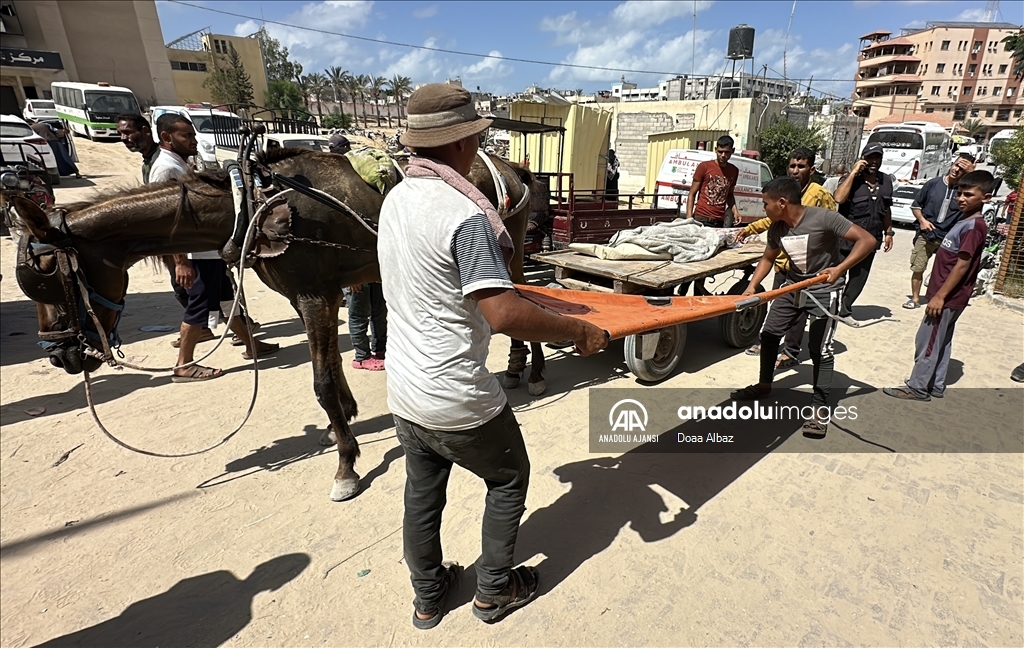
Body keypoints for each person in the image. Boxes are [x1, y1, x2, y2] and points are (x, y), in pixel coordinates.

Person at [378, 83, 608, 629]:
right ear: (464, 143)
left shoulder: (395, 200)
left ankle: (429, 596)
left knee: (422, 490)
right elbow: (503, 313)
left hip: (405, 389)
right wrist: (575, 330)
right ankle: (494, 591)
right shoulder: (462, 215)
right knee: (509, 478)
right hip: (455, 394)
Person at [731, 176, 875, 438]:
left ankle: (820, 407)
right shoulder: (777, 228)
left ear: (782, 202)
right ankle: (764, 385)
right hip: (792, 287)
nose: (764, 209)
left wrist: (840, 268)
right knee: (770, 334)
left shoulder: (824, 218)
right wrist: (752, 287)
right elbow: (767, 258)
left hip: (824, 290)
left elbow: (867, 240)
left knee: (819, 348)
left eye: (766, 204)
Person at [149, 113, 277, 382]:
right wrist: (181, 262)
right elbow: (165, 221)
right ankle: (183, 364)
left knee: (228, 299)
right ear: (166, 137)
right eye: (187, 136)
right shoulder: (165, 169)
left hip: (207, 250)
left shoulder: (181, 164)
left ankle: (251, 345)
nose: (193, 141)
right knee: (199, 305)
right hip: (194, 255)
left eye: (193, 135)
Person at [884, 171, 993, 401]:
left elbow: (962, 266)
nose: (961, 199)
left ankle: (917, 387)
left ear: (986, 198)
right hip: (951, 297)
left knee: (928, 341)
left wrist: (939, 296)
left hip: (947, 297)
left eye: (969, 195)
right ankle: (935, 384)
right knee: (942, 340)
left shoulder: (973, 226)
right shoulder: (965, 222)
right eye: (960, 194)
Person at [739, 147, 837, 365]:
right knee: (779, 307)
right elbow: (772, 220)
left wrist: (832, 263)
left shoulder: (819, 195)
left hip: (808, 269)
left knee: (799, 312)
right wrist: (750, 229)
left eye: (800, 166)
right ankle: (769, 343)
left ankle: (790, 352)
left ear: (811, 169)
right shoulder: (782, 191)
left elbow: (833, 225)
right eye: (792, 165)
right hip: (783, 263)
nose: (795, 170)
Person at [905, 153, 976, 309]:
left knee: (946, 271)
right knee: (918, 267)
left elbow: (978, 198)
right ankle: (915, 299)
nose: (957, 170)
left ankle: (938, 298)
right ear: (952, 164)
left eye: (962, 169)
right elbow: (916, 205)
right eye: (956, 165)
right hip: (927, 235)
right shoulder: (933, 184)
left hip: (950, 238)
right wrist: (922, 221)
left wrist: (971, 174)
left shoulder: (965, 191)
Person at [833, 143, 894, 320]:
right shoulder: (850, 179)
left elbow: (886, 209)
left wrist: (888, 232)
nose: (873, 161)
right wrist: (853, 173)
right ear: (862, 158)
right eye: (870, 157)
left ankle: (844, 310)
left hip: (870, 240)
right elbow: (838, 198)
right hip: (845, 239)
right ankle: (829, 307)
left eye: (877, 158)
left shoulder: (886, 181)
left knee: (859, 278)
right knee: (837, 274)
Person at [686, 135, 740, 228]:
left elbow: (730, 195)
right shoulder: (704, 167)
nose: (723, 155)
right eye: (720, 151)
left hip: (719, 221)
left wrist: (736, 212)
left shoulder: (734, 171)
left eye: (726, 152)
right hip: (701, 218)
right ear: (715, 150)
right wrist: (689, 218)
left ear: (733, 151)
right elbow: (692, 194)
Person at [348, 282, 387, 370]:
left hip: (374, 275)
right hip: (357, 275)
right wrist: (352, 278)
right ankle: (362, 357)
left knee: (379, 313)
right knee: (359, 315)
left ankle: (380, 349)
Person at [116, 113, 160, 183]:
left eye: (127, 132)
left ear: (146, 131)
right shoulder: (148, 161)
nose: (123, 138)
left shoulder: (160, 162)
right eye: (120, 134)